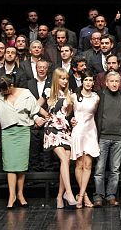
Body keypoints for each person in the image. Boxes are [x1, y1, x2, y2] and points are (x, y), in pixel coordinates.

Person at [0, 76, 41, 208]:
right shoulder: (0, 97)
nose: (4, 93)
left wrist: (37, 119)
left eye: (6, 90)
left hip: (22, 131)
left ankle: (20, 194)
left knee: (21, 165)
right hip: (7, 133)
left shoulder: (26, 94)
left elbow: (34, 111)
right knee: (10, 165)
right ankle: (11, 196)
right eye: (2, 90)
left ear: (12, 85)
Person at [42, 68, 78, 209]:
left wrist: (73, 119)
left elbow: (70, 114)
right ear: (56, 79)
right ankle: (69, 193)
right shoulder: (48, 92)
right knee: (64, 159)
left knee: (67, 162)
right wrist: (43, 116)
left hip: (65, 130)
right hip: (52, 129)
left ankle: (59, 197)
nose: (64, 81)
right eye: (62, 78)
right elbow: (35, 105)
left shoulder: (70, 95)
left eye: (66, 78)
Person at [93, 71, 121, 207]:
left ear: (120, 83)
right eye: (111, 81)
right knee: (100, 169)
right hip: (103, 137)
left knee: (115, 169)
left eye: (116, 81)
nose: (114, 84)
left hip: (118, 137)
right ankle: (99, 196)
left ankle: (111, 195)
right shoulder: (100, 96)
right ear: (106, 83)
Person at [70, 71, 100, 208]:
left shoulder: (96, 97)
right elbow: (66, 113)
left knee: (88, 165)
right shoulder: (73, 97)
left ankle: (80, 196)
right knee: (79, 165)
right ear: (82, 81)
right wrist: (70, 119)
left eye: (90, 80)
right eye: (86, 80)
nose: (88, 82)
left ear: (93, 82)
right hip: (78, 132)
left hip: (90, 132)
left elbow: (98, 115)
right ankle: (85, 196)